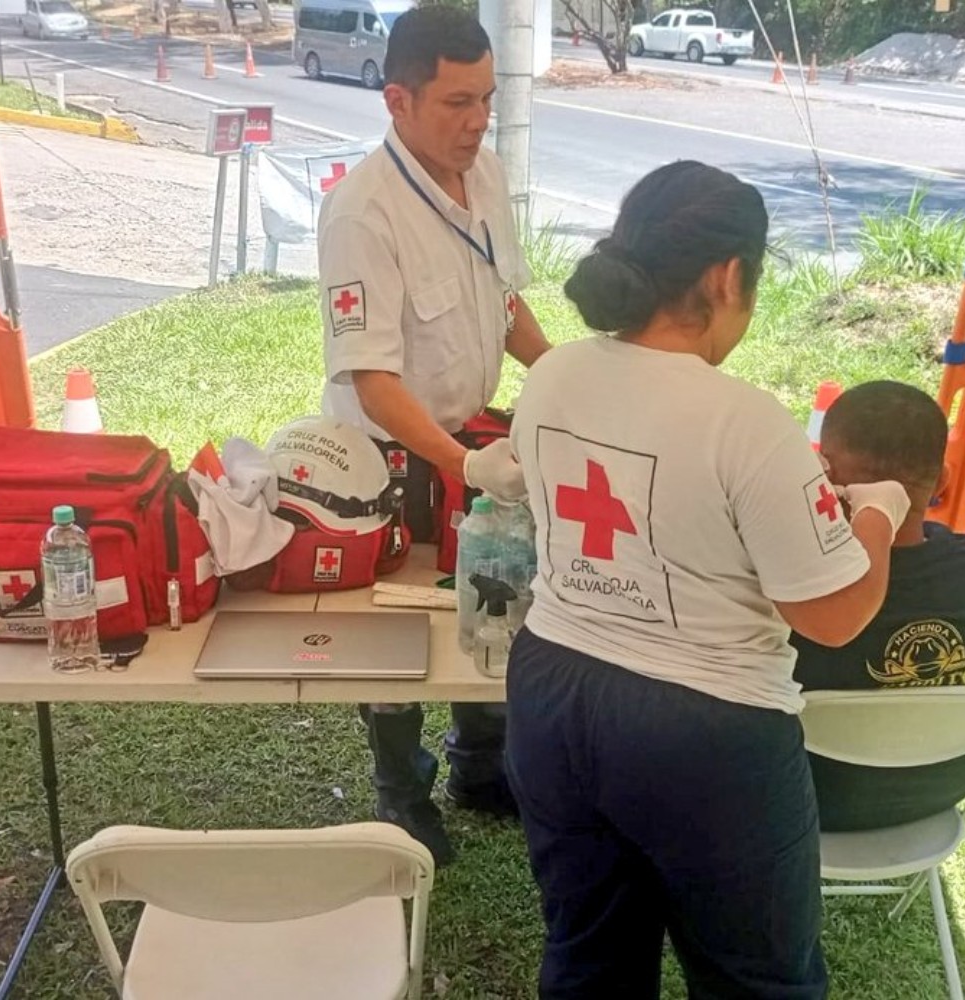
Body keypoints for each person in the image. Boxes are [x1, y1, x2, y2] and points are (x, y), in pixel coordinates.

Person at [504, 160, 911, 999]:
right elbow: (834, 613)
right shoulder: (747, 423)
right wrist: (880, 511)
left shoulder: (551, 374)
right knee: (756, 981)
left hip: (552, 692)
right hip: (705, 731)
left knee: (587, 959)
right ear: (728, 277)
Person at [316, 6, 552, 867]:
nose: (478, 120)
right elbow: (373, 380)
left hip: (471, 438)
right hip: (388, 454)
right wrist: (461, 463)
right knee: (399, 636)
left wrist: (559, 376)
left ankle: (481, 766)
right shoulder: (361, 215)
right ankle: (401, 797)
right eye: (457, 102)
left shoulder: (481, 172)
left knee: (492, 589)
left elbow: (507, 303)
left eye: (486, 98)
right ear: (398, 100)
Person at [793, 380, 965, 831]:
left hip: (804, 806)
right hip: (931, 802)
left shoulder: (803, 592)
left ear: (824, 476)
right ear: (943, 478)